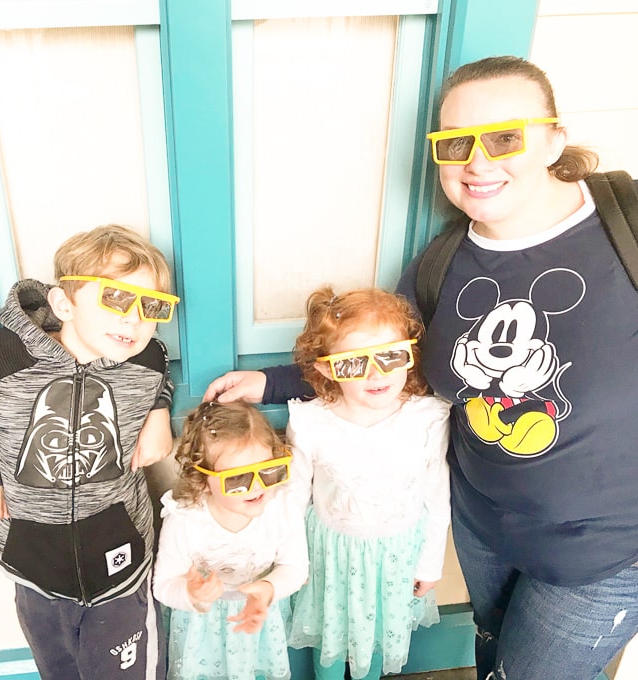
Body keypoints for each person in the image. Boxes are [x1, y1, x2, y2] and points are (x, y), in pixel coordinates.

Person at [204, 56, 638, 680]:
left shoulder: (625, 225)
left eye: (505, 137)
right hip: (486, 526)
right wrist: (273, 382)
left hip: (603, 552)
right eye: (456, 142)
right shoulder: (443, 263)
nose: (478, 161)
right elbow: (384, 364)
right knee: (493, 658)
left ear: (553, 140)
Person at [0, 224, 179, 680]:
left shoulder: (142, 362)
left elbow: (158, 366)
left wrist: (159, 408)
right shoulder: (7, 365)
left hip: (121, 565)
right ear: (64, 303)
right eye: (116, 298)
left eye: (152, 306)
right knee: (59, 670)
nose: (134, 319)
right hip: (30, 562)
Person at [284, 286, 450, 680]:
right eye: (354, 363)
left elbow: (437, 495)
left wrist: (430, 562)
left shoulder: (426, 418)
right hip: (331, 555)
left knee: (375, 639)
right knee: (329, 638)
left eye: (392, 356)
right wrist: (293, 558)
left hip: (395, 556)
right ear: (326, 368)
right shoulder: (311, 422)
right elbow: (291, 496)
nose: (377, 373)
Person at [153, 400, 309, 680]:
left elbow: (295, 567)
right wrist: (191, 595)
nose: (258, 486)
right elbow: (163, 585)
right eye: (237, 479)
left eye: (269, 470)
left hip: (260, 619)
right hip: (201, 626)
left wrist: (268, 589)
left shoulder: (281, 506)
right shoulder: (186, 519)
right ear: (202, 480)